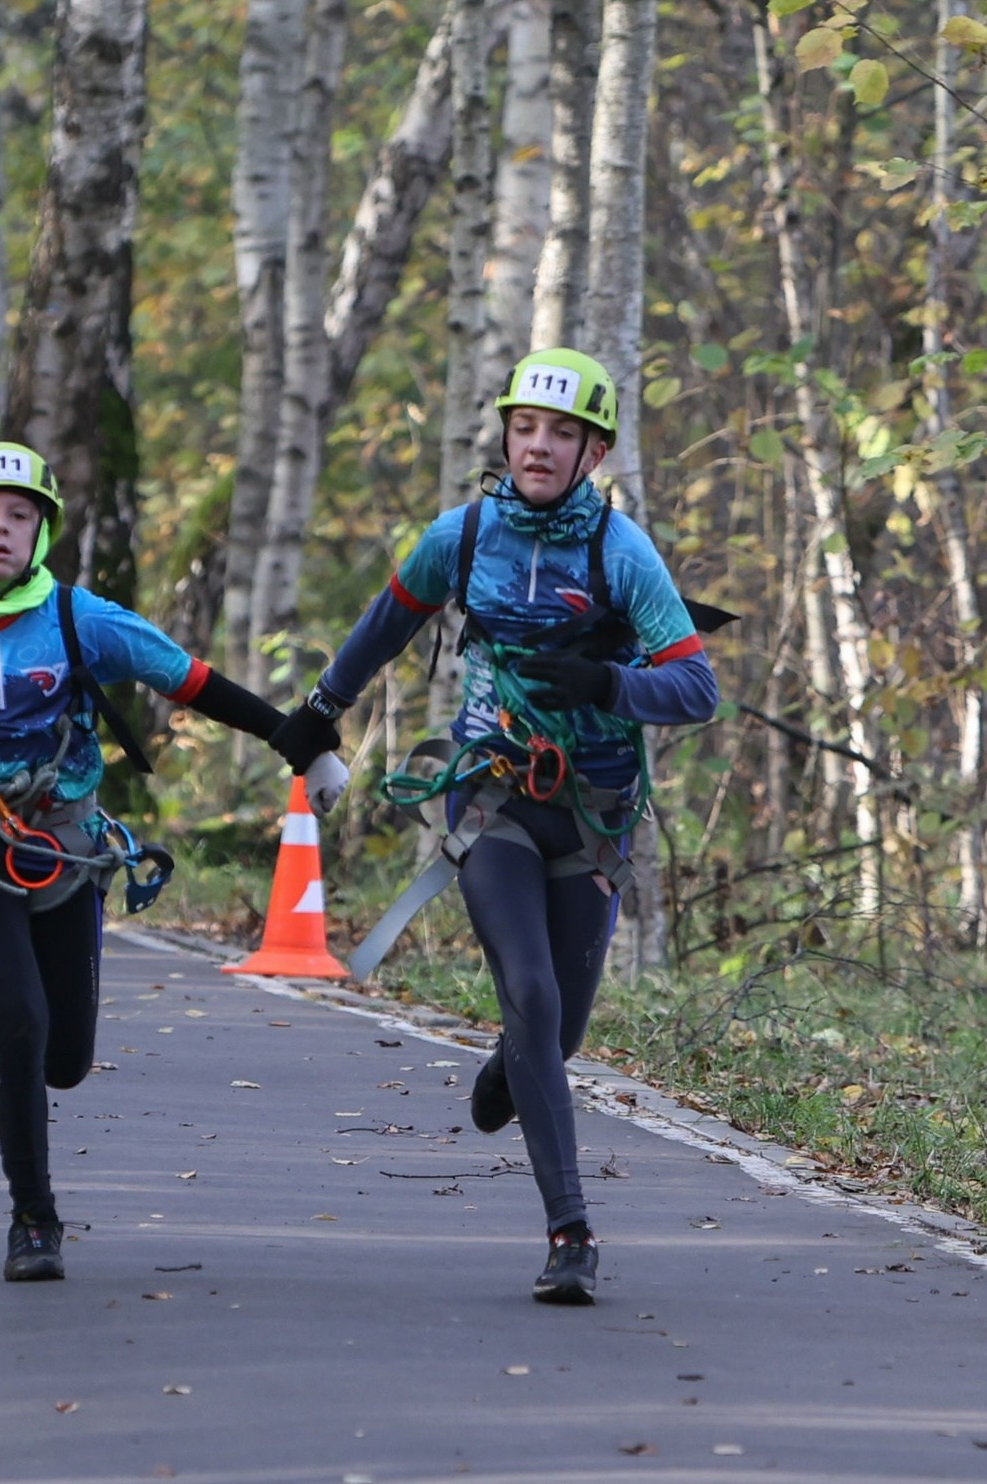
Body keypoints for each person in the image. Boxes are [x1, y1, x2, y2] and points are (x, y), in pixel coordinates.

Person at [0, 444, 343, 1284]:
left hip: (67, 847)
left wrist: (299, 742)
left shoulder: (80, 618)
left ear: (43, 531)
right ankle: (33, 1218)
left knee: (64, 1056)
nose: (1, 529)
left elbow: (193, 680)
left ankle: (24, 1069)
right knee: (19, 1021)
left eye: (19, 515)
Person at [267, 349, 718, 1305]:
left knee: (556, 1028)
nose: (540, 446)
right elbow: (387, 622)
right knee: (530, 992)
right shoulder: (462, 535)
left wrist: (608, 681)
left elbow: (697, 686)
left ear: (594, 449)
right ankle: (571, 1232)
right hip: (491, 800)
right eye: (526, 429)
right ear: (505, 435)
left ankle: (516, 1066)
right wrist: (323, 704)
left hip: (594, 819)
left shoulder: (621, 553)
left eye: (562, 434)